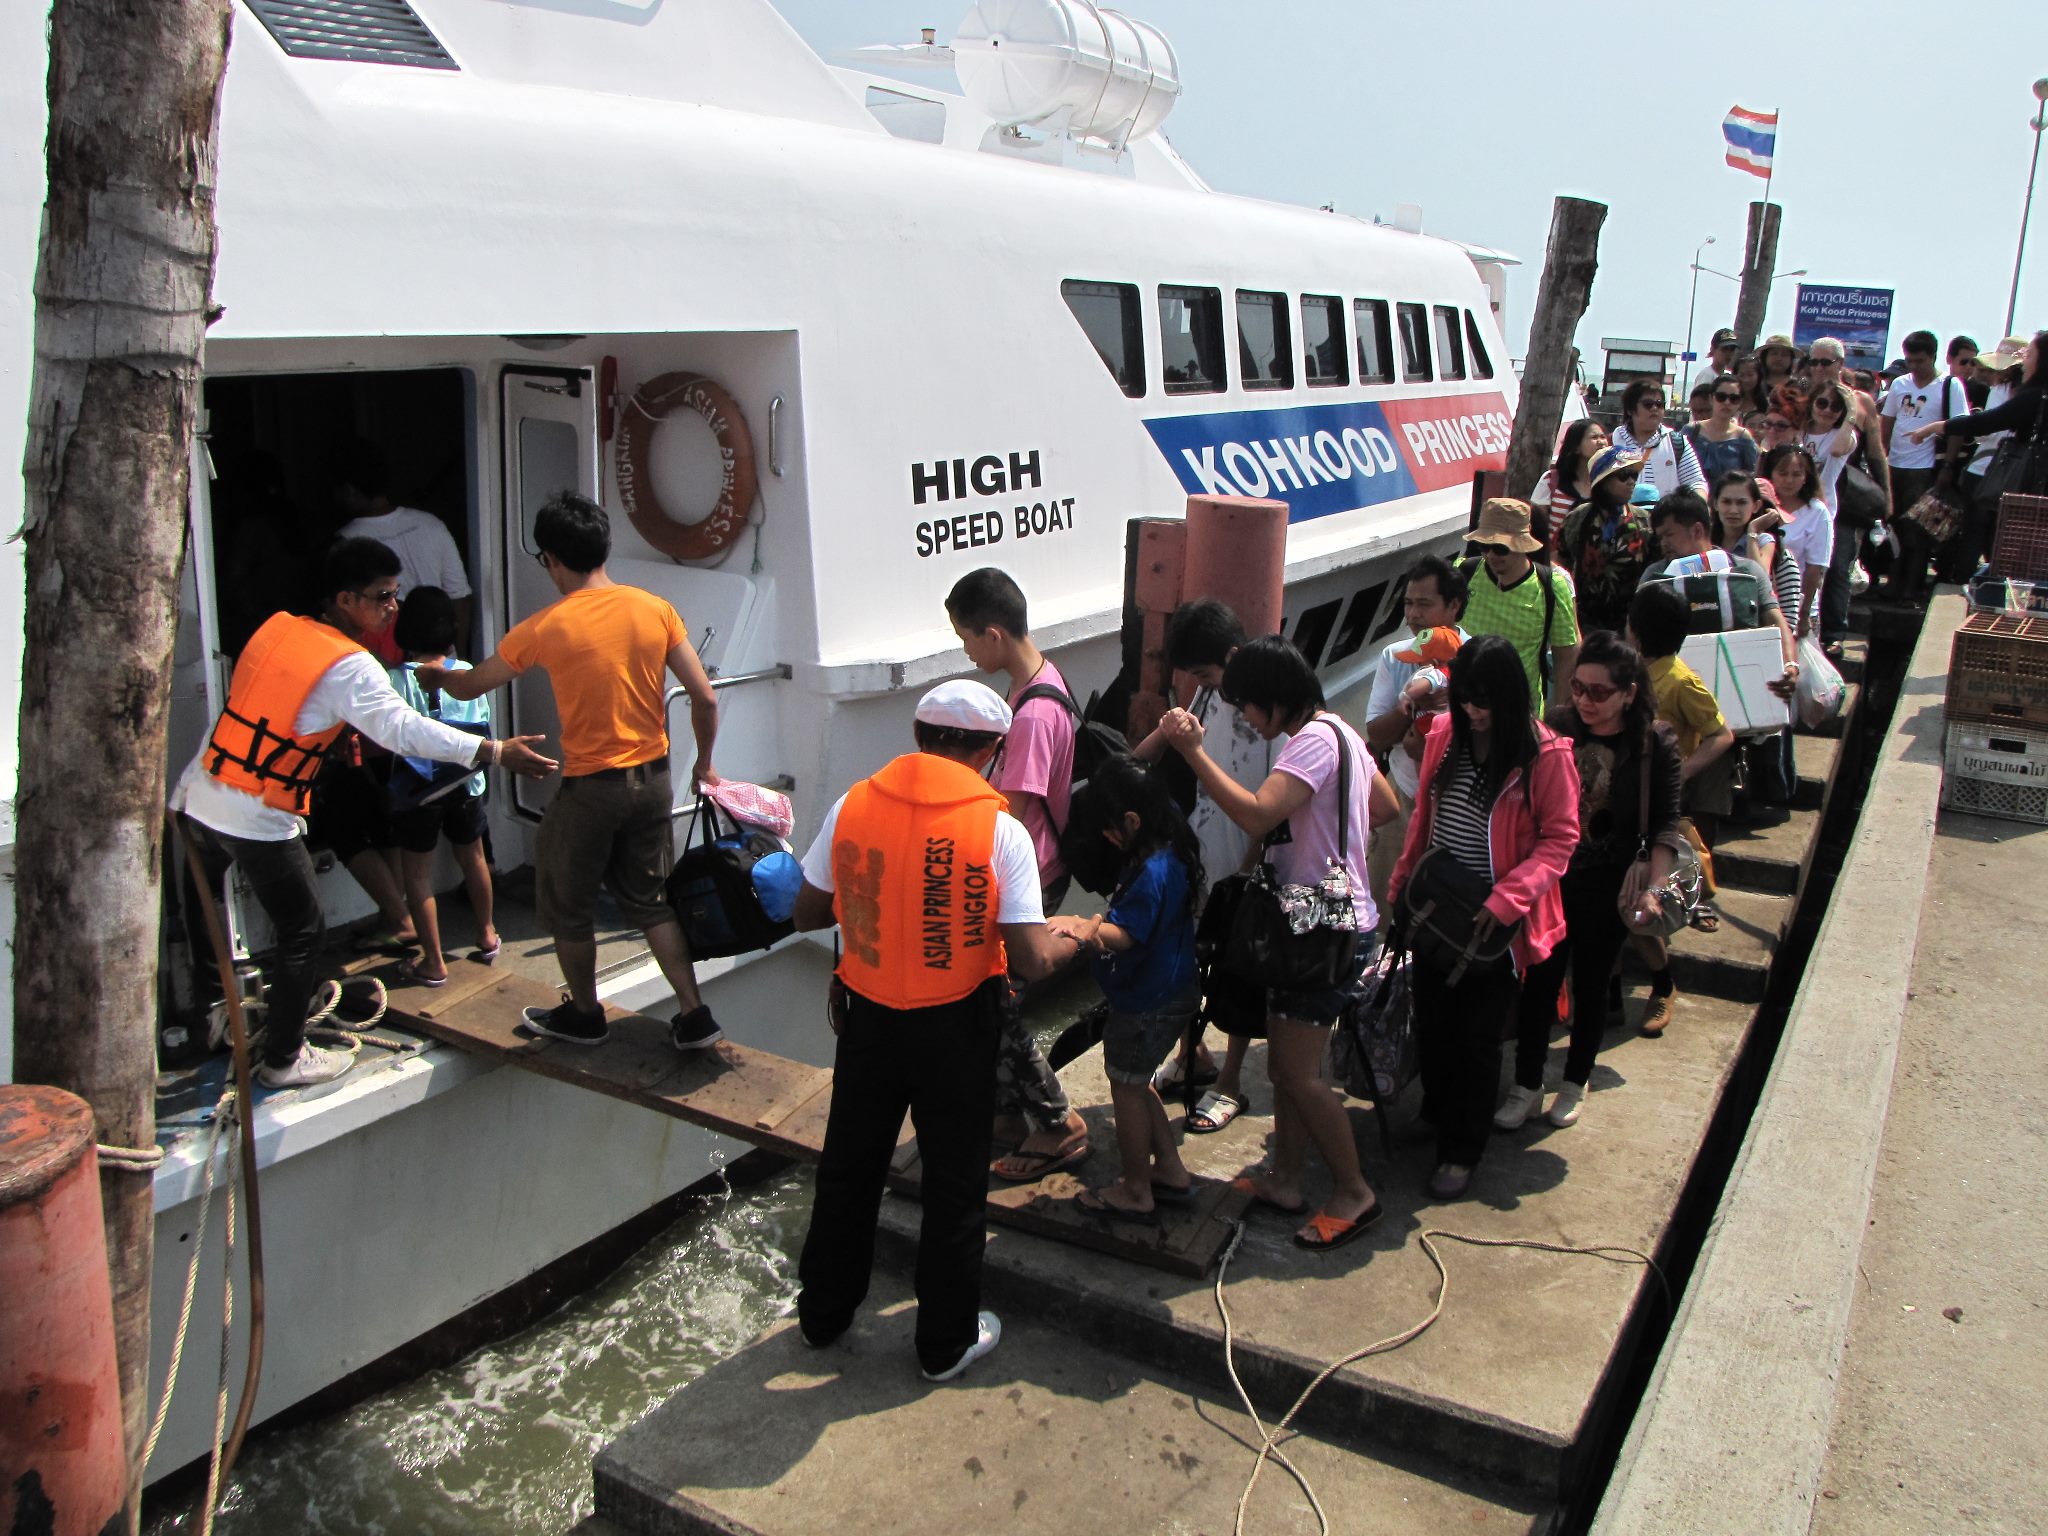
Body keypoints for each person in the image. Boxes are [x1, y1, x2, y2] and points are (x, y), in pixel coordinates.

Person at [171, 539, 555, 1087]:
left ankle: (215, 1017)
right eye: (382, 598)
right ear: (345, 600)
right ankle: (283, 1058)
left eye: (395, 597)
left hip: (197, 799)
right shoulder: (351, 666)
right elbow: (403, 730)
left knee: (205, 911)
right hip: (255, 815)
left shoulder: (277, 628)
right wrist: (492, 751)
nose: (392, 609)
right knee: (304, 930)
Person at [789, 680, 1074, 1382]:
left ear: (919, 738)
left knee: (849, 1170)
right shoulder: (1000, 831)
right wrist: (1085, 935)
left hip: (867, 1021)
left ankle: (823, 1317)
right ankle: (943, 1343)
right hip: (956, 1030)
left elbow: (805, 911)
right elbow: (1034, 961)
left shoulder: (852, 806)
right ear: (988, 751)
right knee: (952, 1182)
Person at [427, 492, 723, 1050]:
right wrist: (704, 765)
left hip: (592, 789)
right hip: (653, 782)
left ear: (552, 560)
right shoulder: (654, 608)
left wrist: (436, 673)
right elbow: (703, 699)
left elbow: (469, 685)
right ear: (605, 548)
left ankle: (585, 1016)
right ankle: (695, 1014)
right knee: (650, 901)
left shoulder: (545, 626)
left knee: (567, 904)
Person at [1160, 636, 1398, 1251]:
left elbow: (1257, 814)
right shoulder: (1341, 733)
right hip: (1334, 916)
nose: (1243, 719)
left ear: (1271, 699)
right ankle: (1286, 1178)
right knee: (1297, 1066)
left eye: (1246, 707)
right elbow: (1387, 806)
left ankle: (1353, 1193)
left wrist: (1193, 752)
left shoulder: (1312, 742)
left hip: (1320, 929)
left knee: (1296, 1074)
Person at [1387, 635, 1578, 1200]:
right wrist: (1400, 885)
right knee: (1433, 1022)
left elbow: (1560, 839)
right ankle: (1435, 1108)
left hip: (1493, 923)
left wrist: (1509, 899)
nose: (1473, 711)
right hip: (1435, 905)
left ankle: (1461, 1148)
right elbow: (1424, 817)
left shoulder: (1544, 755)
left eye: (1484, 702)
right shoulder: (1446, 735)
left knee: (1477, 1040)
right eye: (1466, 700)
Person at [1497, 632, 1686, 1133]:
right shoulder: (1558, 725)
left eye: (1599, 693)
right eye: (1578, 688)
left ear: (1628, 692)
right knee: (1540, 980)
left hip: (1612, 880)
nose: (1584, 701)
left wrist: (1654, 885)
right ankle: (1526, 1084)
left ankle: (1574, 1081)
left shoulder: (1652, 742)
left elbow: (1666, 822)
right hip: (1554, 877)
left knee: (1594, 981)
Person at [943, 567, 1092, 1178]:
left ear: (994, 634)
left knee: (998, 1006)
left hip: (1026, 874)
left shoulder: (1030, 715)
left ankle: (1058, 1123)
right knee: (993, 1001)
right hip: (1036, 866)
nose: (966, 651)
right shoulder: (1043, 679)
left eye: (967, 639)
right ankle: (1005, 1114)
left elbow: (1015, 813)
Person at [1129, 598, 1277, 1132]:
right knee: (1193, 954)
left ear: (1233, 657)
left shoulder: (1268, 709)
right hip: (1204, 843)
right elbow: (1181, 740)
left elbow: (1271, 801)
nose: (1203, 683)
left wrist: (1250, 869)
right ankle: (1194, 1052)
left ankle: (1231, 1081)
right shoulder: (1211, 690)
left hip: (1246, 855)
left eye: (1207, 673)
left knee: (1239, 971)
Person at [1049, 756, 1202, 1220]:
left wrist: (1082, 927)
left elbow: (1126, 935)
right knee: (1135, 1082)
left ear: (1132, 821)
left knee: (1126, 1089)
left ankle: (1136, 1188)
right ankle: (1171, 1172)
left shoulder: (1152, 873)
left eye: (1111, 830)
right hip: (1172, 989)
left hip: (1147, 1000)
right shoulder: (1170, 839)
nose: (1107, 839)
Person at [386, 587, 499, 986]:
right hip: (466, 784)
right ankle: (487, 933)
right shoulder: (467, 670)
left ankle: (434, 961)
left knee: (417, 874)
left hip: (420, 790)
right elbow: (483, 719)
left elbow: (390, 733)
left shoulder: (396, 680)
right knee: (474, 858)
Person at [1364, 555, 1470, 912]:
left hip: (1458, 801)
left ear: (1454, 605)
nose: (1412, 615)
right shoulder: (1395, 656)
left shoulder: (1476, 656)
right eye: (1408, 603)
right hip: (1405, 796)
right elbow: (1376, 733)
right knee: (1383, 904)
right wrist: (1406, 708)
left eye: (1424, 604)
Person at [1908, 330, 2047, 564]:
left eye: (2030, 355)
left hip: (2031, 487)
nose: (2023, 362)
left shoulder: (2035, 397)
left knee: (2011, 549)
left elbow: (1985, 422)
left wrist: (1935, 427)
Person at [330, 438, 474, 655]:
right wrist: (458, 655)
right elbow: (460, 597)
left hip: (385, 667)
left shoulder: (345, 542)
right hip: (439, 661)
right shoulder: (431, 524)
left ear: (348, 490)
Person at [1628, 583, 1736, 856]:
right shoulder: (1631, 671)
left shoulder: (1681, 681)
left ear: (1637, 631)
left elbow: (1721, 735)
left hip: (1663, 787)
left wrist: (1683, 773)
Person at [1458, 498, 1581, 713]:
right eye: (1484, 547)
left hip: (1522, 714)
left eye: (1500, 548)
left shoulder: (1552, 586)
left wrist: (1560, 718)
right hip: (1465, 708)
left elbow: (1566, 655)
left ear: (1522, 544)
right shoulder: (1463, 573)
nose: (1490, 556)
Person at [1880, 330, 1974, 602]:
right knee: (1895, 529)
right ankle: (1894, 582)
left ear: (1933, 357)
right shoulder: (1899, 384)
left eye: (1920, 361)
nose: (1915, 367)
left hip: (1925, 468)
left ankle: (1912, 586)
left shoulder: (1949, 385)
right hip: (1895, 465)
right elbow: (1887, 422)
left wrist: (1948, 467)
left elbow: (1958, 428)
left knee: (1917, 533)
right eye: (1910, 361)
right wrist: (1882, 459)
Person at [1946, 335, 2032, 574]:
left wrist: (1977, 419)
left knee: (1973, 531)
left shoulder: (2000, 389)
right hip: (2014, 473)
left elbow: (1986, 433)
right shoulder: (2030, 395)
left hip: (1984, 470)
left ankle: (1963, 578)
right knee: (2000, 536)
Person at [1558, 447, 1657, 635]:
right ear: (1603, 481)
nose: (1631, 482)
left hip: (1630, 625)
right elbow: (1560, 562)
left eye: (1634, 476)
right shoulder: (1578, 519)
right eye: (1623, 475)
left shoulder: (1644, 522)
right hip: (1583, 624)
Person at [1756, 444, 1834, 641]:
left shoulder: (1817, 512)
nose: (1789, 480)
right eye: (1782, 473)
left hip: (1795, 604)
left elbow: (1815, 568)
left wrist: (1804, 613)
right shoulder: (1757, 506)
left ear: (1806, 477)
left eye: (1796, 474)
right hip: (1759, 602)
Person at [1528, 419, 1609, 559]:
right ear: (1576, 446)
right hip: (1555, 563)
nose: (1601, 442)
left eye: (1603, 437)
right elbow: (1536, 526)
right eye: (1594, 437)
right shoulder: (1551, 480)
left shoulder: (1610, 484)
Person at [1610, 379, 1708, 495]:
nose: (1654, 408)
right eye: (1648, 404)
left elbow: (1696, 482)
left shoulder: (1677, 443)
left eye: (1659, 404)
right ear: (1630, 410)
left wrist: (1696, 504)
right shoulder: (1612, 442)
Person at [1683, 374, 1761, 483]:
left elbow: (1749, 477)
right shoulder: (1691, 431)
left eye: (1734, 398)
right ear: (1711, 399)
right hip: (1693, 497)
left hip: (1728, 497)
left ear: (1740, 402)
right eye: (1721, 397)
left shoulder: (1743, 437)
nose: (1727, 402)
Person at [1756, 333, 1800, 404]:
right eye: (1774, 353)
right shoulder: (1754, 382)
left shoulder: (1800, 384)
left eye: (1784, 355)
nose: (1779, 359)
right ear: (1765, 357)